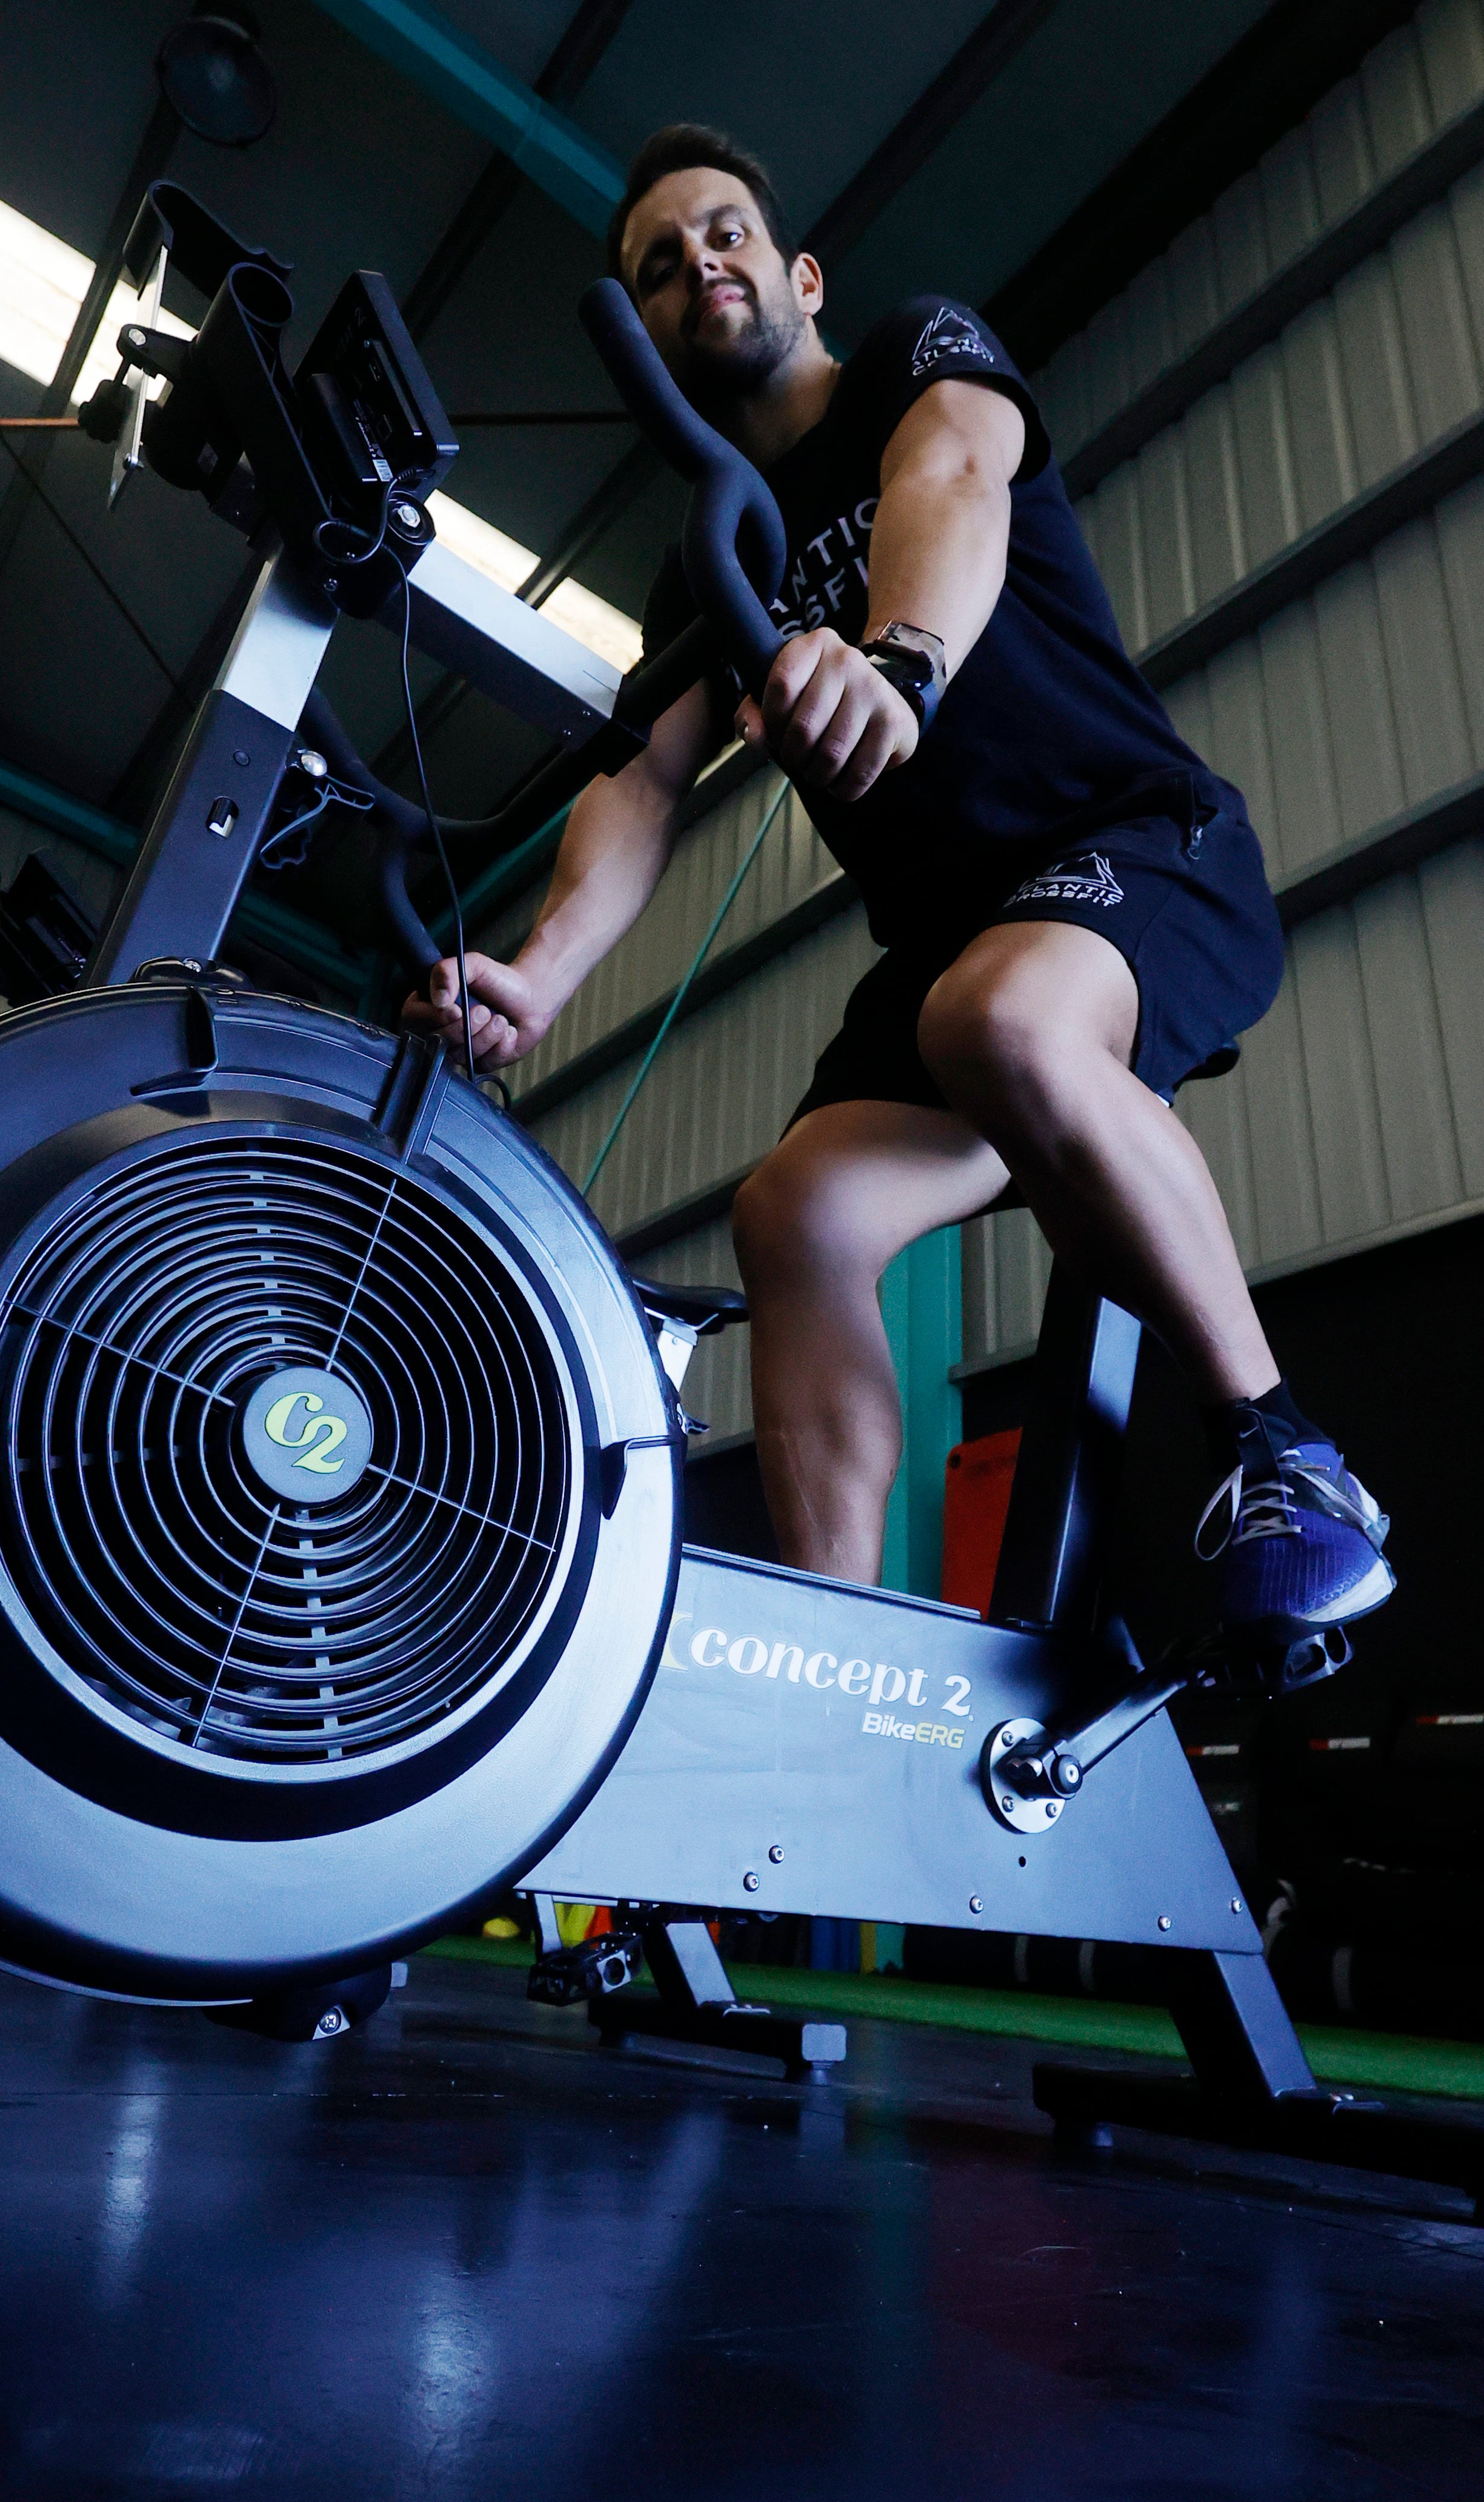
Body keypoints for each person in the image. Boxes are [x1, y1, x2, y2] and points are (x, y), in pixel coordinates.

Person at [410, 124, 1390, 1640]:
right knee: (792, 1209)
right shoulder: (707, 566)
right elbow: (643, 780)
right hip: (955, 951)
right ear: (650, 342)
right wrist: (537, 974)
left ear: (798, 272)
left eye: (724, 235)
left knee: (992, 1022)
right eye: (659, 269)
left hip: (1141, 851)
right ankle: (836, 1647)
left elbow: (955, 471)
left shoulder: (910, 361)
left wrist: (905, 660)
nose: (699, 270)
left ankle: (1288, 1460)